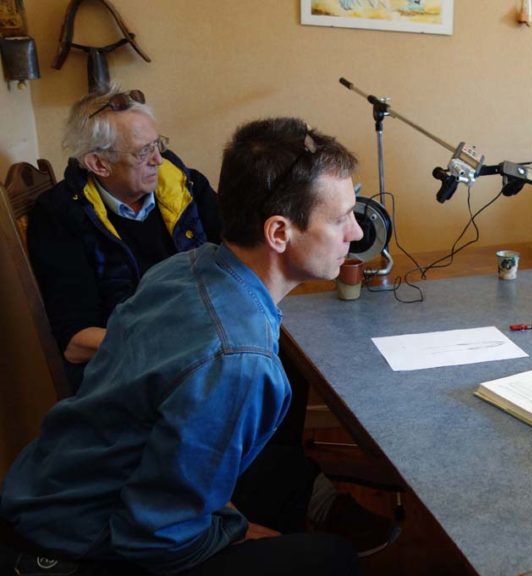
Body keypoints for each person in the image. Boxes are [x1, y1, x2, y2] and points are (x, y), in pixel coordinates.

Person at [1, 118, 389, 574]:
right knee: (333, 559)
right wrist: (230, 532)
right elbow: (157, 536)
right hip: (79, 542)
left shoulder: (186, 266)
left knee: (273, 478)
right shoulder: (238, 360)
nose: (357, 233)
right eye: (342, 218)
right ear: (279, 233)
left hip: (40, 487)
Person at [28, 87, 221, 391]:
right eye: (144, 151)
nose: (159, 159)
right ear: (98, 164)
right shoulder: (60, 215)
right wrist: (177, 345)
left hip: (203, 342)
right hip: (129, 370)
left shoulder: (186, 186)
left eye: (158, 144)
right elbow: (76, 341)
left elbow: (239, 255)